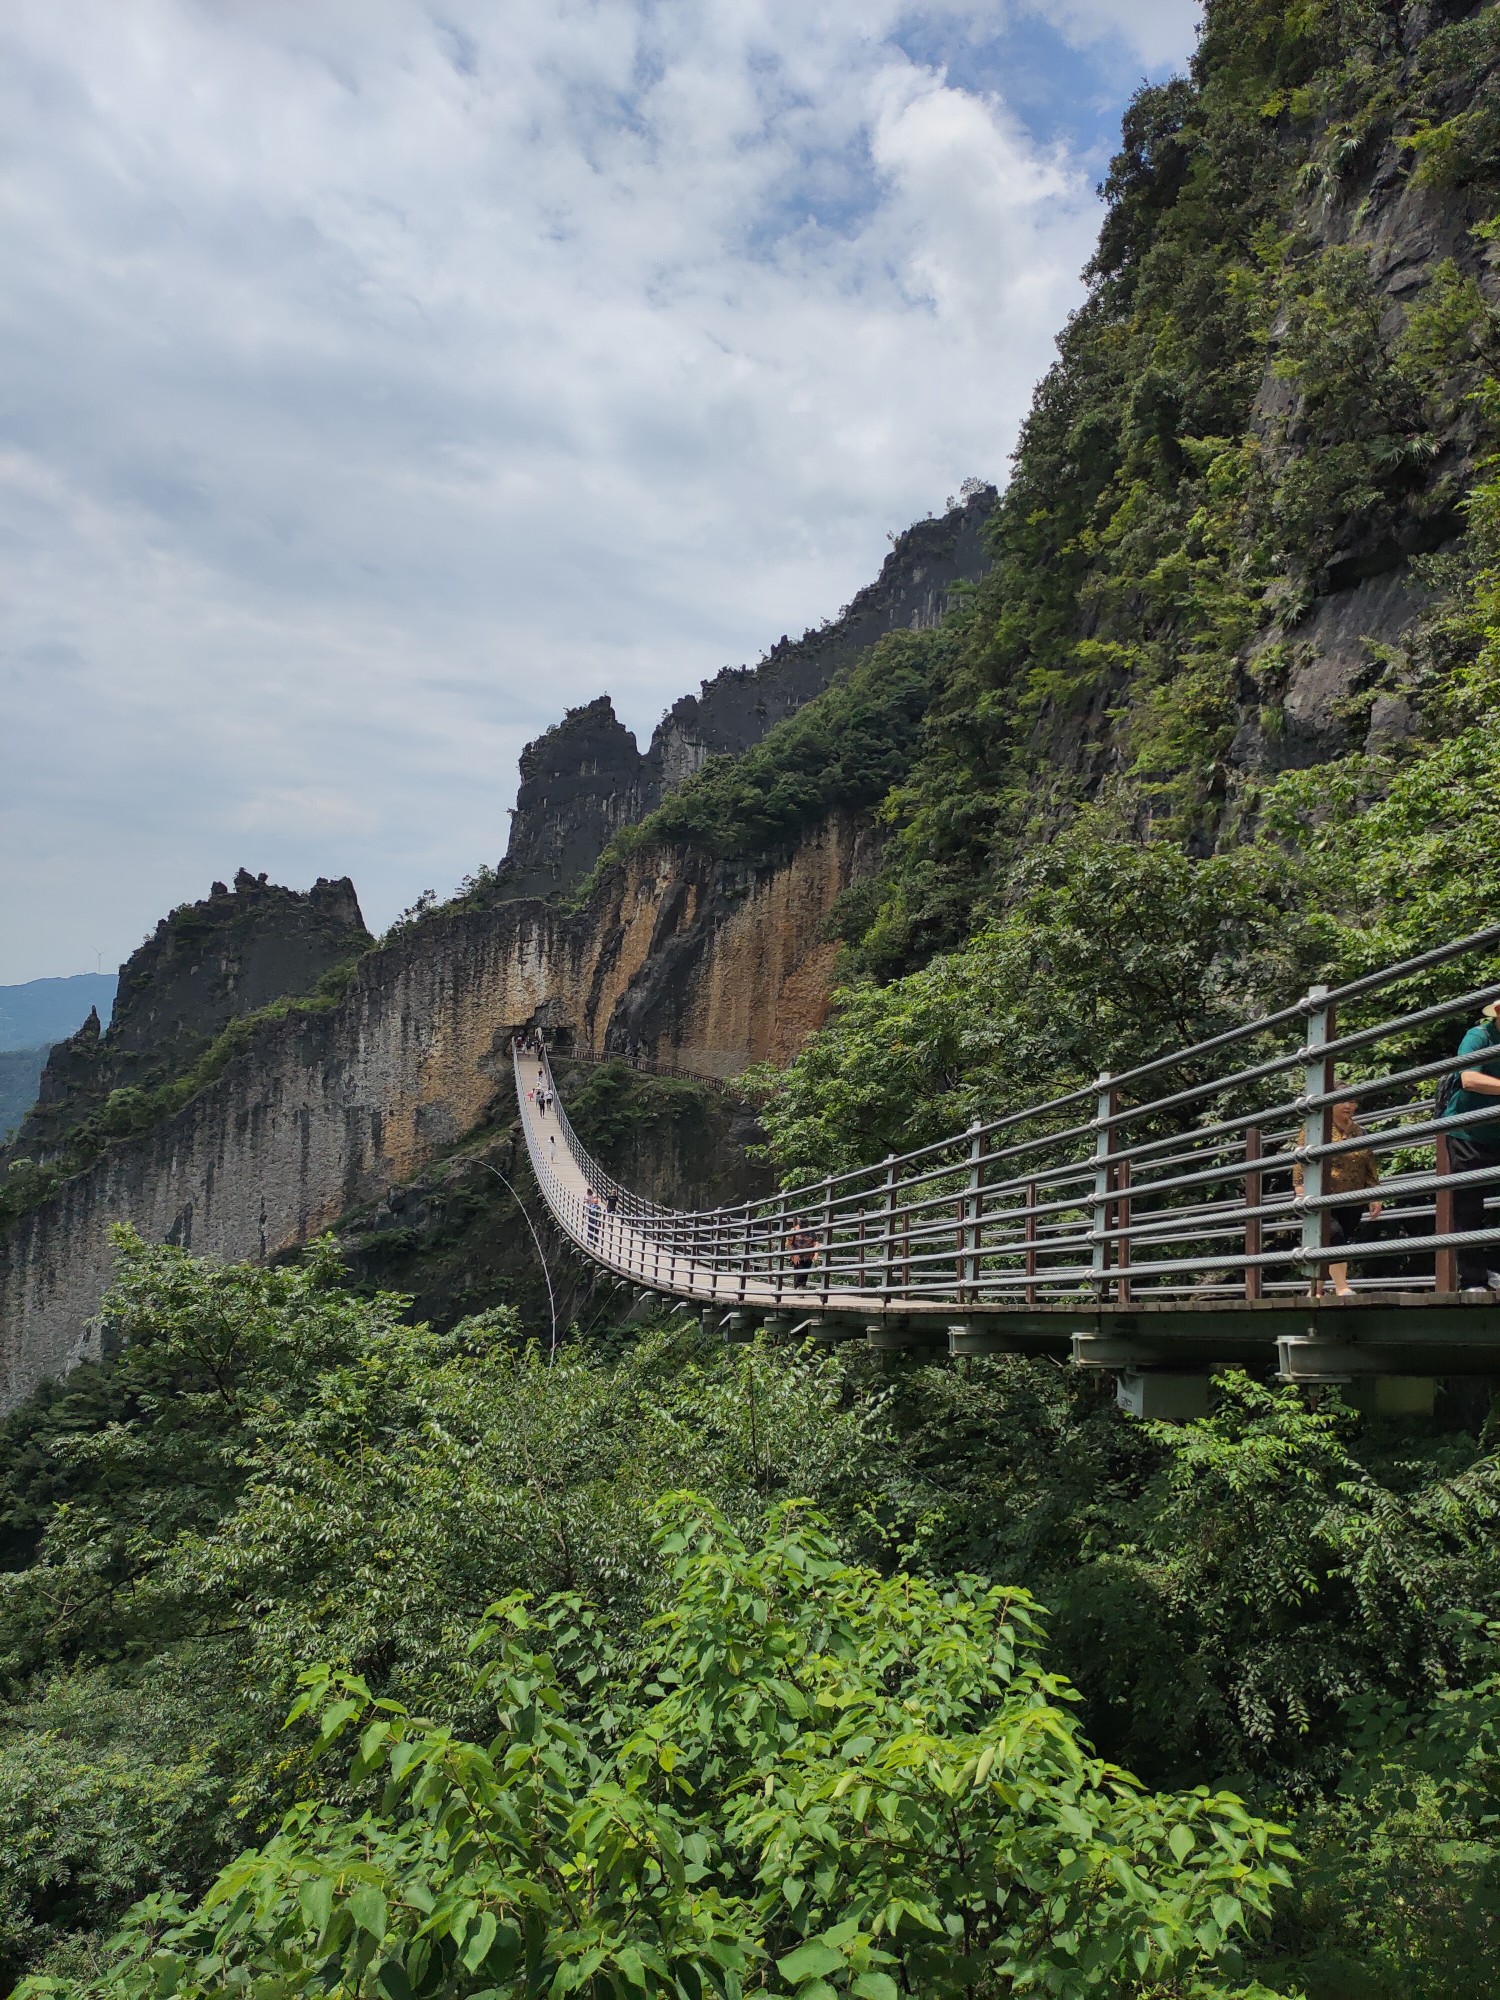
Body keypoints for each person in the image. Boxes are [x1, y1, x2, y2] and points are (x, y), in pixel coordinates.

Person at [1293, 1098, 1382, 1298]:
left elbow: (1369, 1163)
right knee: (1333, 1235)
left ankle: (1315, 1289)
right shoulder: (1316, 1130)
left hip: (1352, 1196)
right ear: (1331, 1104)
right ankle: (1342, 1287)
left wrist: (1375, 1194)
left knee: (1331, 1242)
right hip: (1321, 1196)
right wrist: (1299, 1186)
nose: (1348, 1106)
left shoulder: (1361, 1132)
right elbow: (1300, 1158)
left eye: (1352, 1101)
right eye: (1342, 1101)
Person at [1445, 998, 1500, 1292]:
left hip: (1496, 1134)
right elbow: (1469, 1078)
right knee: (1469, 1207)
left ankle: (1491, 1270)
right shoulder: (1479, 1036)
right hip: (1468, 1133)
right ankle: (1473, 1280)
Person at [785, 1219, 816, 1290]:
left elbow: (815, 1242)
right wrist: (795, 1254)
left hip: (808, 1256)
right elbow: (788, 1244)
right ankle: (799, 1287)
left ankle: (801, 1287)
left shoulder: (811, 1231)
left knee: (805, 1272)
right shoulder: (794, 1230)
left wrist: (816, 1253)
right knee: (799, 1271)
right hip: (797, 1255)